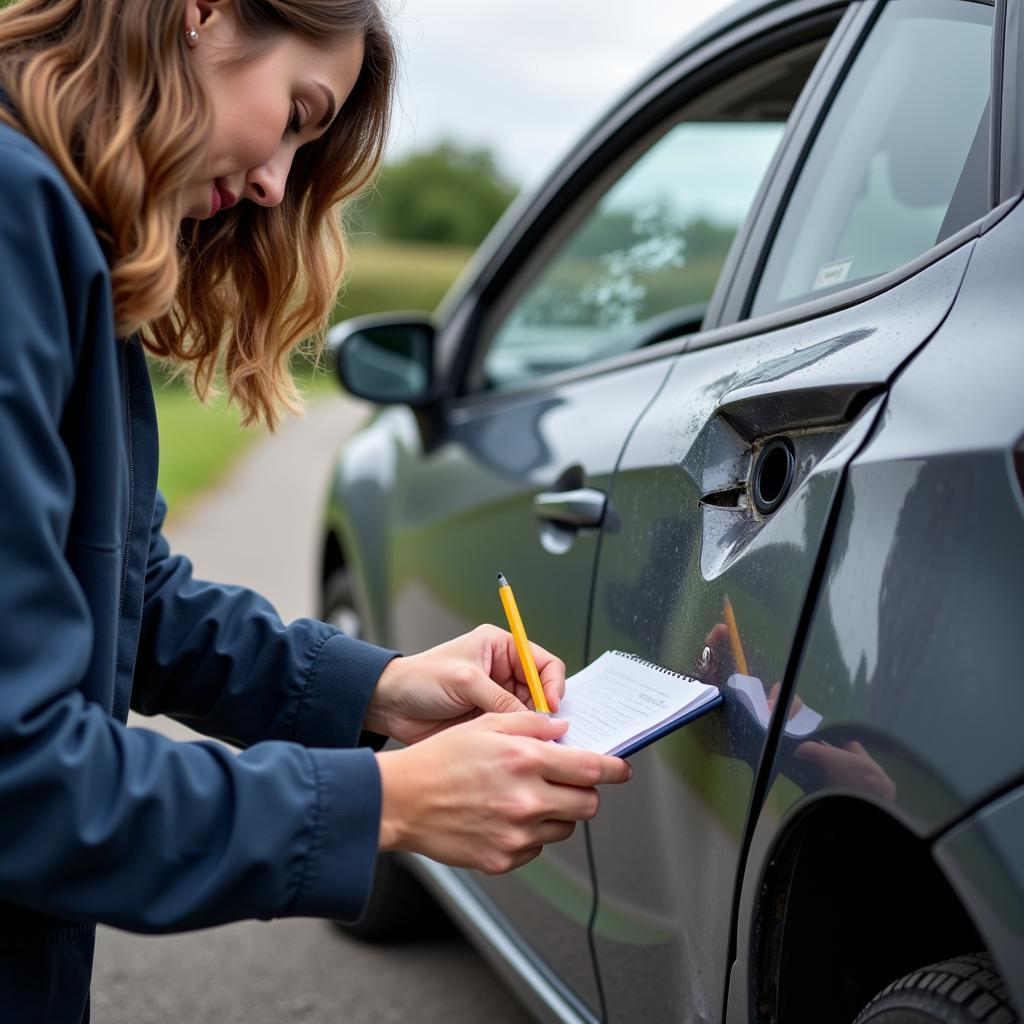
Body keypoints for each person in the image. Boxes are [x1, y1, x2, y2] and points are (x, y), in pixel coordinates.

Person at [0, 1, 632, 1019]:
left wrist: (380, 688)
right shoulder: (11, 215)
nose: (273, 185)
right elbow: (18, 776)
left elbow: (122, 589)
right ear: (198, 15)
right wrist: (387, 800)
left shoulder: (59, 228)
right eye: (296, 113)